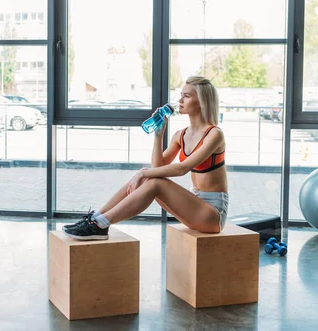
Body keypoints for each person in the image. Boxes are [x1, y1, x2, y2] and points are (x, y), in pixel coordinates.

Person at [63, 76, 229, 240]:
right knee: (149, 176)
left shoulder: (214, 134)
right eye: (181, 95)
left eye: (187, 96)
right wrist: (158, 136)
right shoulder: (181, 134)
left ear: (202, 101)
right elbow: (157, 169)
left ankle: (101, 224)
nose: (180, 100)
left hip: (212, 212)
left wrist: (143, 174)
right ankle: (96, 219)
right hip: (194, 205)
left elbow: (182, 169)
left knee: (150, 178)